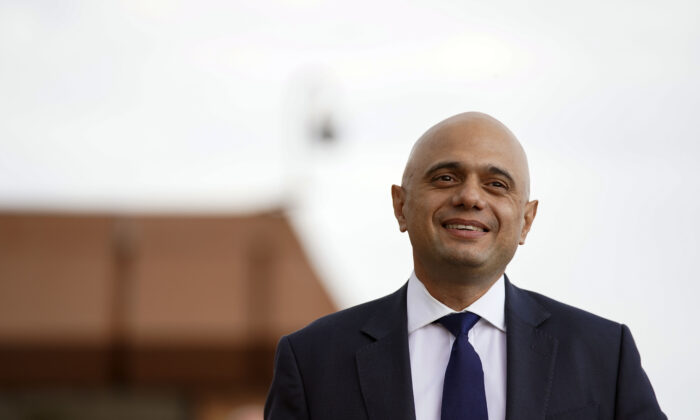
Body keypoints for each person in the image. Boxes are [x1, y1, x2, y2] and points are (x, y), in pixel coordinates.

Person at [264, 112, 666, 419]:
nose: (470, 197)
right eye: (445, 178)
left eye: (496, 184)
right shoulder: (313, 361)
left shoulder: (604, 356)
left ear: (526, 221)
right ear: (401, 206)